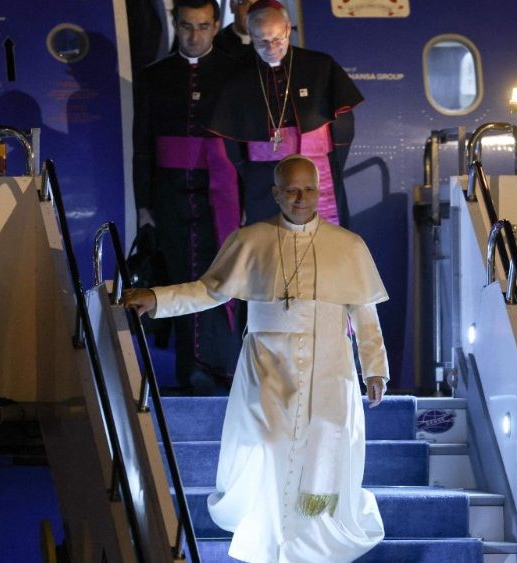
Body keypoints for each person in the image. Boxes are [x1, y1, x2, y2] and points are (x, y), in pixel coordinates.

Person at [123, 155, 388, 562]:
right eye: (292, 190)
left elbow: (364, 314)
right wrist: (157, 298)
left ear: (320, 191)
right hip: (269, 365)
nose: (302, 199)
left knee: (322, 445)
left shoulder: (349, 246)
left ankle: (311, 542)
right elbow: (209, 290)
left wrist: (374, 369)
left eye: (310, 189)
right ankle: (269, 537)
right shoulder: (250, 239)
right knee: (269, 444)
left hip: (329, 367)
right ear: (276, 193)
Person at [132, 0, 242, 394]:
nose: (194, 36)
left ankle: (223, 366)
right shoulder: (154, 76)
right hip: (171, 191)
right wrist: (144, 205)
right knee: (182, 274)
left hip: (223, 191)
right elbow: (142, 143)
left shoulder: (236, 71)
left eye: (203, 27)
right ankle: (191, 369)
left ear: (216, 26)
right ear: (175, 26)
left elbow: (244, 143)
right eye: (186, 27)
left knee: (222, 274)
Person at [209, 0, 364, 227]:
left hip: (316, 168)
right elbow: (233, 144)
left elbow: (343, 127)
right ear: (250, 35)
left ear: (288, 28)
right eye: (261, 41)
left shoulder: (320, 66)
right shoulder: (239, 78)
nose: (271, 48)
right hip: (263, 178)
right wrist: (251, 175)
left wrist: (331, 165)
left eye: (277, 39)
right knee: (270, 241)